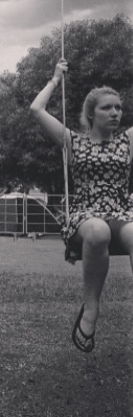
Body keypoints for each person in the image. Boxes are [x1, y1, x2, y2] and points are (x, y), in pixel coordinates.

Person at [30, 59, 133, 353]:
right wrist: (55, 79)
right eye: (107, 108)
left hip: (121, 212)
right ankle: (91, 308)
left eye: (118, 108)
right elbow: (36, 109)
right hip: (86, 214)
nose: (115, 113)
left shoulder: (127, 141)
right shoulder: (73, 142)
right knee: (98, 231)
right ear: (91, 113)